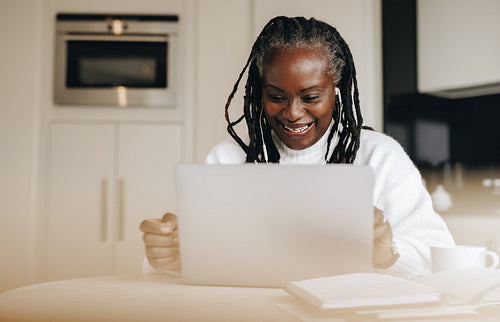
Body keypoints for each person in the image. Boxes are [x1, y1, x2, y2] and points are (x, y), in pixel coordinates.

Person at [140, 16, 455, 279]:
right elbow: (187, 259)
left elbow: (439, 259)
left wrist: (387, 253)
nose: (292, 113)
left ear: (337, 89)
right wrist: (166, 256)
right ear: (258, 92)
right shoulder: (228, 159)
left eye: (311, 97)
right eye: (276, 97)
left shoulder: (378, 157)